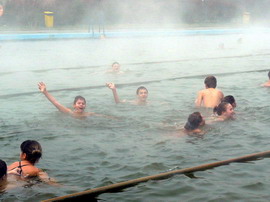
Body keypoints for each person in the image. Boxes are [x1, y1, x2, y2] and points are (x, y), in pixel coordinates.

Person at [38, 82, 113, 118]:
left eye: (83, 103)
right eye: (79, 103)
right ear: (74, 105)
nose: (81, 104)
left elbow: (103, 116)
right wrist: (45, 92)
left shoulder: (88, 114)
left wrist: (114, 118)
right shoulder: (69, 112)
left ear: (85, 105)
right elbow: (56, 103)